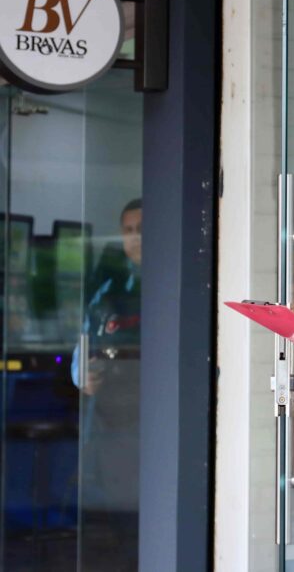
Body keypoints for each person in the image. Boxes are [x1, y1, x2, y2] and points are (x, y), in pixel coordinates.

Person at [70, 197, 142, 572]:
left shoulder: (174, 283)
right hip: (109, 426)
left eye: (142, 229)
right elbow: (80, 350)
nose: (135, 238)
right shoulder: (106, 286)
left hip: (151, 423)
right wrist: (83, 376)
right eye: (128, 231)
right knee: (116, 532)